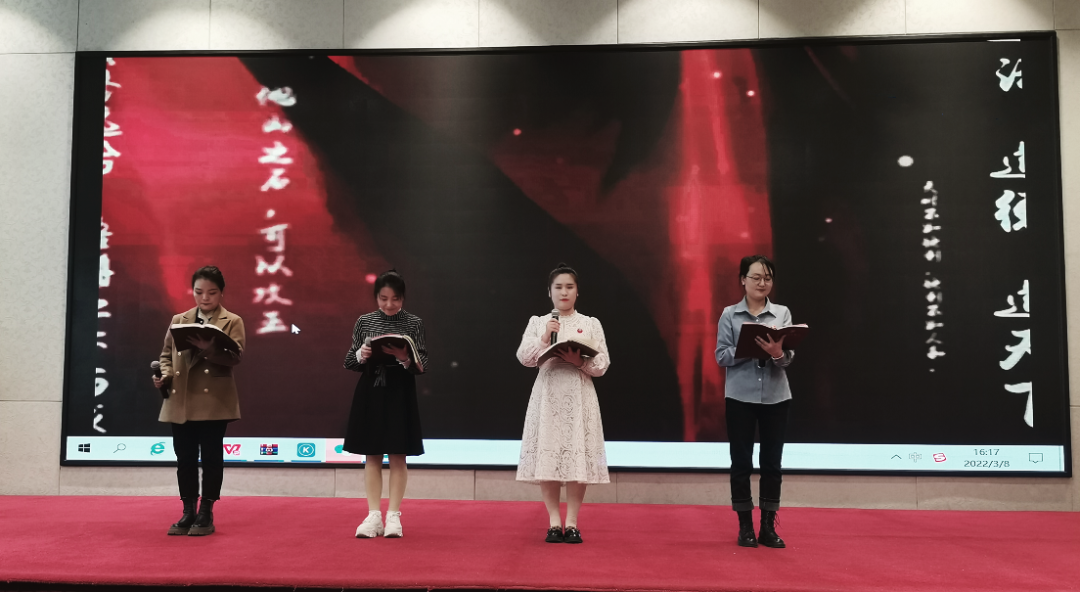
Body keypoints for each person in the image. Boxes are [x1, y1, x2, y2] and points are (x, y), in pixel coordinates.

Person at [516, 263, 610, 544]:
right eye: (558, 287)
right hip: (548, 396)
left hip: (579, 395)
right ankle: (554, 522)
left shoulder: (590, 323)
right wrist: (546, 337)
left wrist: (579, 361)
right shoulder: (538, 322)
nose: (564, 292)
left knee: (576, 457)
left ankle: (573, 523)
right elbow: (524, 358)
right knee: (549, 456)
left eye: (569, 286)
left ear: (577, 291)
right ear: (550, 291)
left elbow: (602, 364)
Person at [153, 265, 245, 536]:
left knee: (212, 457)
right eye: (199, 292)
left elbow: (236, 357)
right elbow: (166, 356)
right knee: (185, 458)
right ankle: (188, 511)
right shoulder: (179, 319)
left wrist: (209, 348)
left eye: (212, 292)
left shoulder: (232, 320)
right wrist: (164, 376)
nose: (205, 298)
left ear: (221, 293)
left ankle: (206, 511)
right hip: (181, 399)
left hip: (213, 400)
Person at [714, 255, 794, 549]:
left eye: (768, 278)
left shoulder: (781, 313)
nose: (762, 283)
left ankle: (768, 528)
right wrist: (746, 348)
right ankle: (745, 527)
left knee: (772, 464)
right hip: (740, 397)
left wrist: (776, 353)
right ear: (743, 280)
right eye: (756, 277)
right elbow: (721, 356)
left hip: (776, 397)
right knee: (741, 462)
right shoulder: (729, 315)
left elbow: (788, 359)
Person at [343, 269, 428, 539]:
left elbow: (422, 365)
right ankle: (373, 516)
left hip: (400, 390)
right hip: (371, 389)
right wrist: (362, 353)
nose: (389, 304)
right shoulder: (364, 321)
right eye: (383, 299)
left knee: (398, 454)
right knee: (372, 455)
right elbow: (349, 361)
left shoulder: (414, 323)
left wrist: (404, 357)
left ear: (403, 297)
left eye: (395, 299)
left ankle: (393, 516)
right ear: (376, 297)